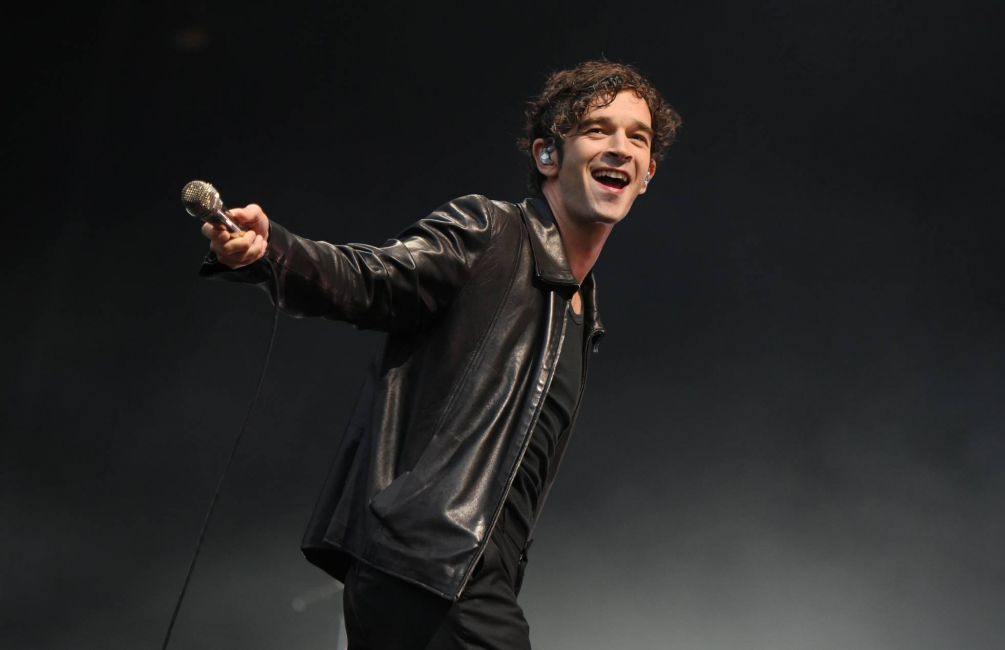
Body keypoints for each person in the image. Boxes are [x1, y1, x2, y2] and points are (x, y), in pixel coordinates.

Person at [199, 60, 681, 650]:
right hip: (426, 562)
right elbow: (371, 278)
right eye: (598, 129)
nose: (621, 147)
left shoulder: (579, 313)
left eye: (637, 137)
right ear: (547, 156)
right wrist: (274, 251)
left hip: (457, 574)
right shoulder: (492, 232)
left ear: (649, 174)